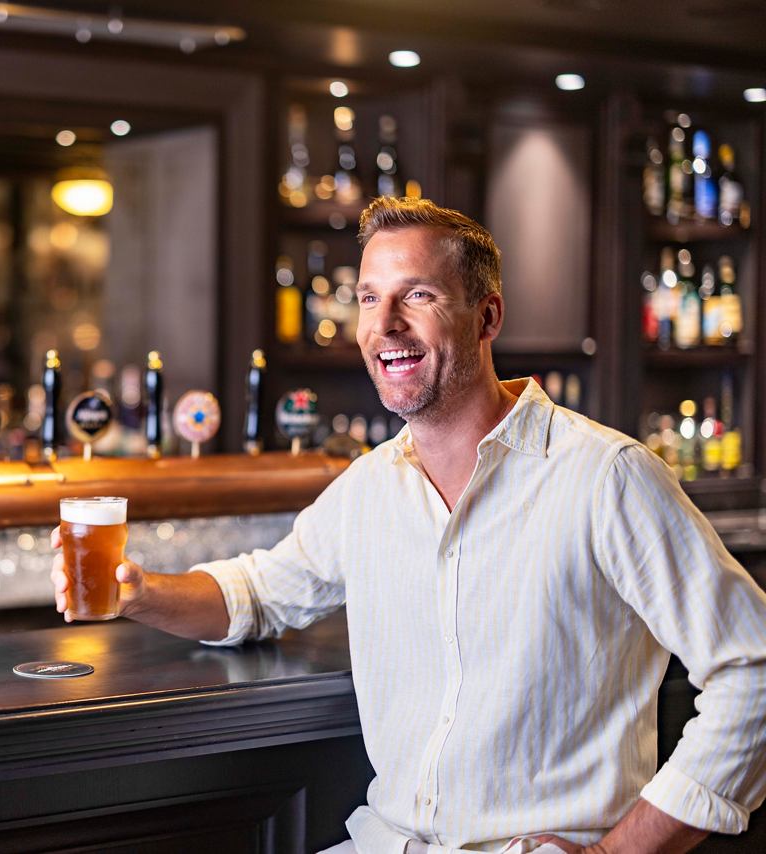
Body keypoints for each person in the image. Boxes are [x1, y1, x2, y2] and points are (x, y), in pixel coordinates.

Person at [51, 197, 766, 853]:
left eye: (416, 296)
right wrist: (137, 592)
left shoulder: (605, 476)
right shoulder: (370, 487)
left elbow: (754, 671)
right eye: (369, 298)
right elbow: (261, 593)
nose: (384, 324)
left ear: (486, 318)